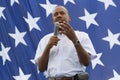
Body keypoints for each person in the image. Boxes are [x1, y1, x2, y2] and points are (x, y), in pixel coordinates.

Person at [37, 5, 96, 80]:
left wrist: (74, 40)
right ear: (53, 20)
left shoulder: (82, 36)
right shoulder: (45, 40)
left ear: (69, 18)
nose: (59, 16)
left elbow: (86, 62)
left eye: (62, 13)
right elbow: (41, 68)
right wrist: (48, 47)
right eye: (56, 14)